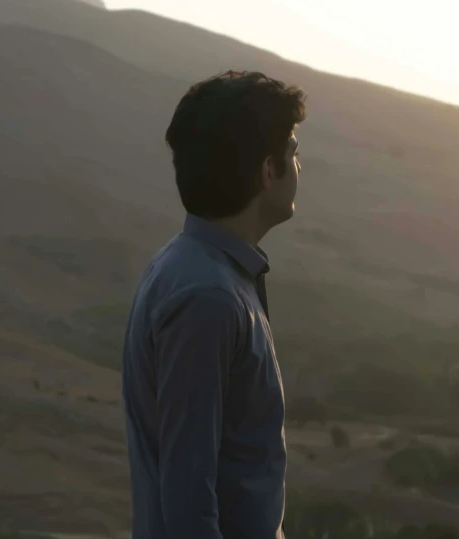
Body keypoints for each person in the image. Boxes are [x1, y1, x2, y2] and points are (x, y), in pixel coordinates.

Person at [122, 70, 306, 539]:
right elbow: (188, 500)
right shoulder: (207, 297)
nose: (299, 167)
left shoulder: (198, 270)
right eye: (294, 153)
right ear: (269, 170)